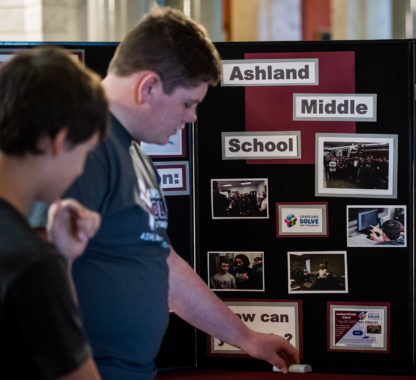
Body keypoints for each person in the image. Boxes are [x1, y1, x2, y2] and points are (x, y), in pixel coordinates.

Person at [29, 7, 299, 379]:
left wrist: (246, 338)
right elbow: (35, 274)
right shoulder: (82, 146)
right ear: (149, 86)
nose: (192, 118)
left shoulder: (132, 151)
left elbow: (162, 263)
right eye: (188, 103)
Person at [0, 47, 108, 379]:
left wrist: (65, 257)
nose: (79, 171)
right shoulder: (30, 261)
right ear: (60, 141)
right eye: (86, 153)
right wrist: (57, 264)